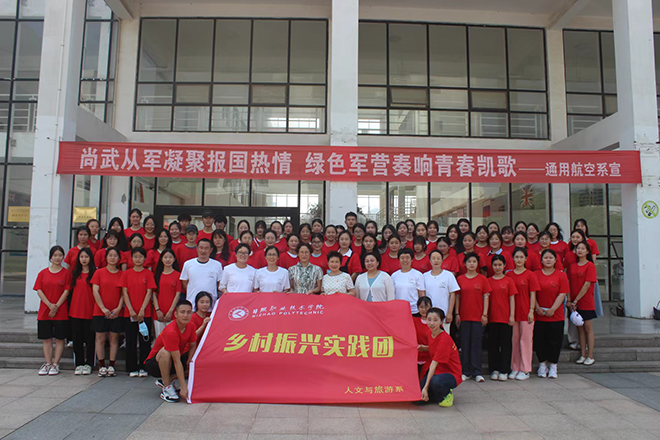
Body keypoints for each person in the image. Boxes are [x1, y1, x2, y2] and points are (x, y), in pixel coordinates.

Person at [144, 299, 197, 403]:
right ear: (176, 314)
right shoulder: (171, 331)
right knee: (165, 352)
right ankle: (167, 387)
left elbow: (193, 344)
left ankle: (167, 379)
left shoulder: (190, 326)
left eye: (188, 312)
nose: (185, 315)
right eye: (182, 312)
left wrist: (189, 360)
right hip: (155, 363)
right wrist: (183, 387)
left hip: (174, 358)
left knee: (194, 361)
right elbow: (177, 361)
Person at [35, 246, 72, 376]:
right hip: (45, 311)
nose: (57, 258)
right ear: (51, 257)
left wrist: (56, 306)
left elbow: (66, 291)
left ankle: (56, 364)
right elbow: (39, 290)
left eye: (60, 255)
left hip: (61, 311)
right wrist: (50, 305)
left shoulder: (66, 274)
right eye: (55, 255)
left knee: (60, 339)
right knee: (47, 339)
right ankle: (48, 363)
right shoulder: (43, 273)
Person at [120, 248, 157, 377]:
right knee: (130, 340)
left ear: (145, 259)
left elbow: (149, 292)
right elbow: (124, 292)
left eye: (140, 257)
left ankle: (144, 367)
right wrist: (130, 309)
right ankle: (131, 367)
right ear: (131, 258)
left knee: (144, 341)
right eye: (135, 257)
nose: (138, 259)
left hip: (145, 313)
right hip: (129, 313)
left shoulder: (148, 274)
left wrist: (142, 309)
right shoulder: (126, 274)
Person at [455, 252, 491, 382]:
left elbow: (486, 297)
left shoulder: (482, 279)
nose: (471, 264)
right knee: (465, 344)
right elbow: (457, 297)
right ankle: (465, 371)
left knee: (476, 344)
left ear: (477, 264)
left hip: (478, 317)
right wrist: (457, 313)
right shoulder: (460, 279)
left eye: (474, 262)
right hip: (464, 316)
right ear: (465, 264)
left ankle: (477, 372)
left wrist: (485, 314)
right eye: (469, 262)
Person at [534, 249, 570, 379]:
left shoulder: (561, 275)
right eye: (546, 258)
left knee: (555, 341)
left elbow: (562, 293)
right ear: (541, 260)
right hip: (539, 314)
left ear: (555, 260)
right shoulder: (536, 274)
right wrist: (537, 307)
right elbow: (532, 293)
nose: (548, 260)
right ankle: (542, 365)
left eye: (551, 258)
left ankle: (553, 366)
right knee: (540, 341)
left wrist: (553, 309)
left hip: (556, 315)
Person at [506, 247, 540, 381]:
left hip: (526, 312)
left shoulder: (530, 275)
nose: (519, 260)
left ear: (526, 259)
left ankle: (525, 369)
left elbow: (533, 294)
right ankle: (515, 367)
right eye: (516, 257)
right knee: (514, 340)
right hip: (512, 313)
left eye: (521, 257)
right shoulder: (509, 275)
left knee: (525, 340)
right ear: (513, 259)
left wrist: (531, 310)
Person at [419, 308, 462, 408]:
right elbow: (435, 348)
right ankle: (435, 395)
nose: (432, 323)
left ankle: (447, 394)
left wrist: (425, 388)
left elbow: (434, 364)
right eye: (429, 319)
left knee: (435, 381)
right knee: (417, 400)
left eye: (435, 320)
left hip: (450, 373)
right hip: (438, 371)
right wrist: (424, 348)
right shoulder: (430, 333)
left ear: (441, 321)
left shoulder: (444, 339)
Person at [91, 247, 124, 377]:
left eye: (115, 256)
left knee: (114, 338)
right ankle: (101, 366)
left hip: (116, 312)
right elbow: (95, 291)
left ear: (119, 259)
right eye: (110, 255)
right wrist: (103, 308)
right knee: (100, 338)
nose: (112, 258)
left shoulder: (122, 274)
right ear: (106, 258)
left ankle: (111, 365)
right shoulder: (99, 273)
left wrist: (118, 308)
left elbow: (123, 293)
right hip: (100, 311)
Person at [486, 255, 517, 381]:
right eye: (495, 265)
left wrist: (512, 315)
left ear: (504, 266)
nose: (497, 267)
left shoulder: (509, 281)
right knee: (493, 345)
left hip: (505, 318)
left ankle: (504, 370)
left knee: (506, 345)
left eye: (500, 265)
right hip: (492, 318)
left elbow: (512, 299)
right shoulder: (488, 281)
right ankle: (494, 369)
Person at [567, 242, 598, 366]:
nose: (580, 250)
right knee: (579, 329)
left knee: (588, 329)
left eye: (582, 248)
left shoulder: (590, 265)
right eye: (578, 248)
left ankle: (590, 355)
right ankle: (582, 354)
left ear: (587, 251)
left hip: (586, 302)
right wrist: (570, 300)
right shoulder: (572, 266)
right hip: (574, 303)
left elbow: (587, 284)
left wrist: (576, 300)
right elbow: (568, 283)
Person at [69, 248, 96, 375]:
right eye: (81, 257)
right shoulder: (74, 274)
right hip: (75, 311)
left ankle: (89, 363)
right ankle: (79, 363)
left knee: (90, 339)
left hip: (90, 310)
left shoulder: (95, 273)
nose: (84, 259)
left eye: (86, 257)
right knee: (77, 339)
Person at [423, 250, 459, 332]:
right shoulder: (424, 276)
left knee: (444, 335)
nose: (436, 261)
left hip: (444, 313)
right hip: (429, 314)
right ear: (430, 261)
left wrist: (450, 312)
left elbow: (452, 294)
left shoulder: (449, 275)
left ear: (442, 260)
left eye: (438, 258)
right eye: (433, 258)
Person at [180, 238, 222, 303]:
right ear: (197, 248)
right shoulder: (188, 264)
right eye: (201, 248)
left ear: (211, 250)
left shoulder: (217, 265)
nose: (203, 251)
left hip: (210, 303)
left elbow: (219, 283)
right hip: (192, 301)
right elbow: (184, 282)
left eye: (206, 248)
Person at [153, 249, 182, 337]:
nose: (168, 260)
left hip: (172, 312)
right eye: (165, 257)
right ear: (161, 259)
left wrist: (170, 311)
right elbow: (154, 294)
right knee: (159, 337)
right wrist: (157, 310)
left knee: (172, 337)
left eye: (170, 257)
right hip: (159, 312)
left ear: (174, 259)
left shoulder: (178, 275)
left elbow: (177, 294)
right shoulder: (157, 275)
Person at [392, 248, 426, 315]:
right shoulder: (394, 275)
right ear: (399, 259)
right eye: (402, 258)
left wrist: (422, 308)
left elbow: (421, 293)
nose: (405, 260)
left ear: (412, 259)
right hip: (398, 309)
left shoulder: (418, 274)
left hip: (414, 310)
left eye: (407, 258)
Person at [414, 296, 432, 370]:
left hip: (430, 359)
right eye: (421, 307)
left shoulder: (435, 323)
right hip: (415, 358)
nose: (424, 310)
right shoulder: (413, 321)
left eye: (426, 307)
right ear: (418, 308)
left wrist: (425, 348)